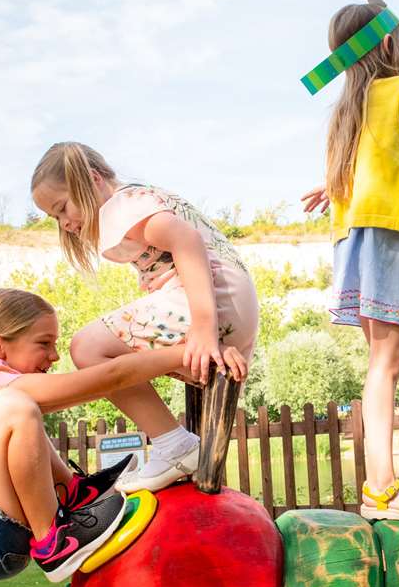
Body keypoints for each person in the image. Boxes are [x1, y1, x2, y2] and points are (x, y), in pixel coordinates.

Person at [299, 0, 399, 521]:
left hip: (356, 242)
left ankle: (379, 486)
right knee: (387, 365)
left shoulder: (347, 108)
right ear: (391, 44)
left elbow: (361, 169)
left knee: (380, 363)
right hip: (393, 237)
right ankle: (382, 488)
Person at [0, 288, 187, 582]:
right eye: (44, 343)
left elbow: (95, 387)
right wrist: (183, 354)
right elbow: (109, 377)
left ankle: (75, 492)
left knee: (22, 407)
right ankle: (53, 542)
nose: (54, 356)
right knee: (15, 407)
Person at [30, 142, 258, 494]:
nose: (65, 223)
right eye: (55, 217)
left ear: (91, 180)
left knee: (88, 347)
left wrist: (203, 327)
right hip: (229, 306)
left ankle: (174, 445)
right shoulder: (137, 201)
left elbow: (187, 240)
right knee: (109, 346)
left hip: (210, 302)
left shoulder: (122, 207)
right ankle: (175, 441)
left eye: (63, 208)